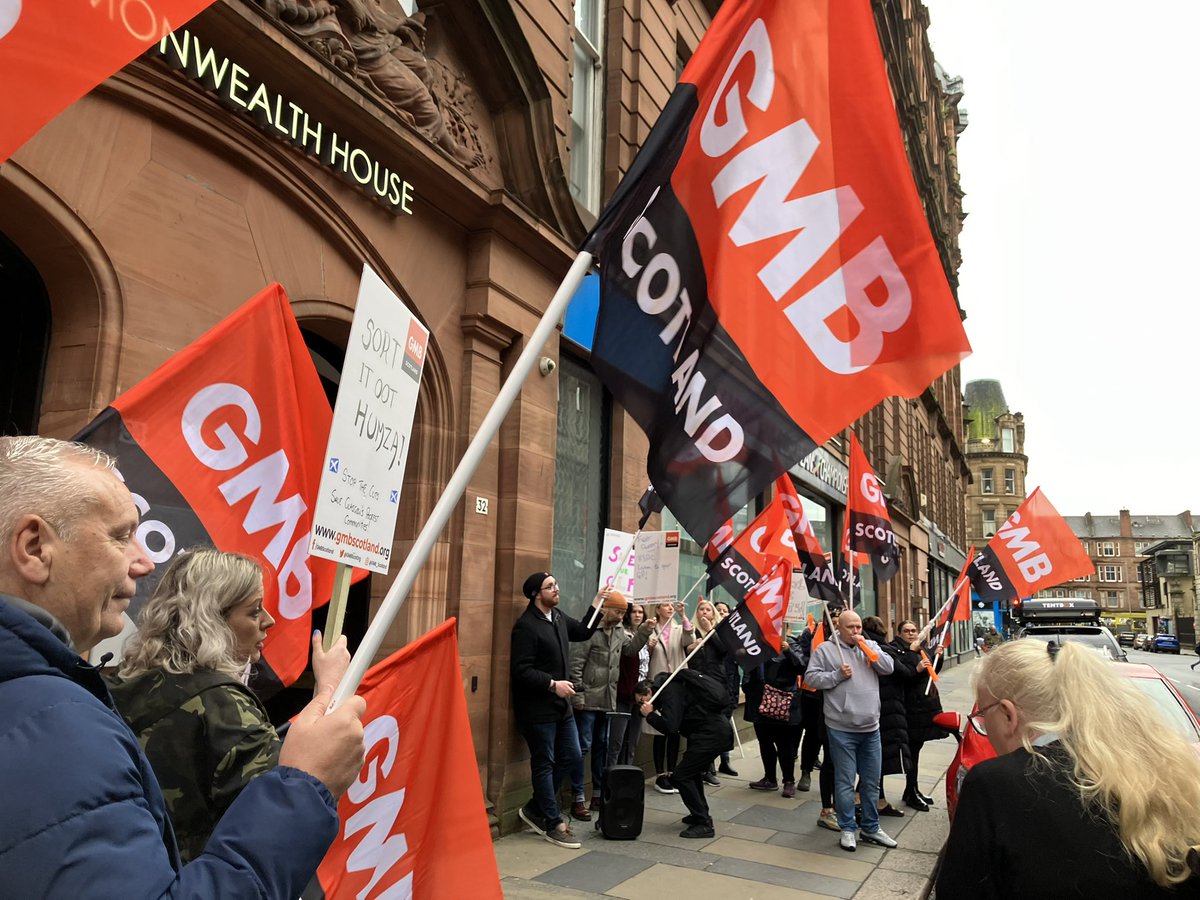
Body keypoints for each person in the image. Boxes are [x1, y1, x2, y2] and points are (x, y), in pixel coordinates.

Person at [0, 436, 366, 897]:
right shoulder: (59, 721)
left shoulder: (102, 684)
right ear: (34, 548)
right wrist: (307, 783)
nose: (144, 561)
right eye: (120, 535)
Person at [107, 548, 351, 861]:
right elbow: (289, 815)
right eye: (253, 612)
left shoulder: (115, 685)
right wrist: (330, 689)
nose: (269, 621)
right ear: (212, 621)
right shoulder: (220, 704)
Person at [937, 640, 1200, 898]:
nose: (983, 723)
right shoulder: (1171, 768)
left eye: (983, 715)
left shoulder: (994, 784)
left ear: (1008, 715)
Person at [511, 571, 611, 849]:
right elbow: (520, 671)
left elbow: (583, 631)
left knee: (573, 755)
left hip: (560, 707)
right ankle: (553, 822)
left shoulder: (556, 617)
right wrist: (552, 684)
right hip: (538, 709)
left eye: (556, 584)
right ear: (536, 594)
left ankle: (535, 806)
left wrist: (597, 603)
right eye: (550, 586)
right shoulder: (526, 626)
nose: (557, 589)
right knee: (544, 762)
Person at [805, 609, 898, 852]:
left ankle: (871, 827)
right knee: (845, 781)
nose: (857, 631)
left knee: (870, 782)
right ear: (840, 628)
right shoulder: (826, 649)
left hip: (871, 726)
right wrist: (836, 676)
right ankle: (847, 828)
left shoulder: (869, 645)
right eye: (851, 627)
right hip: (841, 727)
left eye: (859, 627)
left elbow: (888, 668)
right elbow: (811, 679)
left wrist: (869, 650)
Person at [568, 593, 648, 818]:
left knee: (602, 747)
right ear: (606, 609)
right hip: (588, 699)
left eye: (624, 612)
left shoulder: (619, 630)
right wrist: (579, 697)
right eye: (618, 611)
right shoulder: (590, 630)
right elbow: (576, 664)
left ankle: (598, 794)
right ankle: (577, 798)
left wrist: (645, 630)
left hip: (607, 700)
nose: (622, 616)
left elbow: (630, 650)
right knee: (583, 747)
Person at [636, 670, 734, 838]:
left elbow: (670, 727)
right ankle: (699, 814)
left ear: (649, 692)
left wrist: (650, 715)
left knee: (681, 776)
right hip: (709, 733)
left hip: (711, 735)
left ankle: (704, 823)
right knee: (691, 772)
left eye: (641, 701)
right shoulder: (672, 687)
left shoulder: (669, 691)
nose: (641, 706)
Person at [742, 630, 805, 797]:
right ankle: (769, 778)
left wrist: (787, 651)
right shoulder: (755, 645)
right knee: (765, 743)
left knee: (785, 745)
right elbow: (748, 669)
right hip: (760, 703)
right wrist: (748, 688)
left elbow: (801, 667)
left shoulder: (790, 643)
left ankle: (789, 781)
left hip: (782, 703)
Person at [892, 619, 946, 811]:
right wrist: (913, 656)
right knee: (911, 752)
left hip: (923, 707)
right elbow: (903, 674)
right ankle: (911, 791)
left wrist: (939, 656)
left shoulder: (919, 649)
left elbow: (931, 672)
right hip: (910, 708)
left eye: (914, 630)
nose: (911, 633)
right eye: (906, 631)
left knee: (917, 750)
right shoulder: (898, 649)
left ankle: (912, 789)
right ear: (899, 633)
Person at [640, 600, 693, 793]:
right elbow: (643, 655)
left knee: (675, 729)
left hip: (677, 685)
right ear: (657, 609)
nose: (670, 607)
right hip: (658, 684)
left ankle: (672, 772)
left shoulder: (679, 629)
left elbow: (689, 640)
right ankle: (660, 774)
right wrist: (650, 647)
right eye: (666, 605)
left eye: (672, 605)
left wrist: (683, 616)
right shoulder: (652, 629)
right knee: (660, 729)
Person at [862, 616, 912, 819]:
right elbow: (906, 673)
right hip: (886, 710)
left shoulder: (879, 649)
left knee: (877, 758)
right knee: (877, 759)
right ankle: (865, 800)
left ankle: (877, 800)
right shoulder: (884, 649)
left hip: (881, 709)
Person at [686, 598, 731, 786]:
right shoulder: (692, 631)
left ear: (713, 614)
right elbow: (685, 652)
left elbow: (723, 650)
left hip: (715, 683)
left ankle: (709, 767)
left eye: (708, 610)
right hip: (696, 683)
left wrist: (710, 631)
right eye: (701, 609)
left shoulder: (720, 631)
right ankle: (695, 767)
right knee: (696, 726)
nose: (704, 612)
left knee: (713, 726)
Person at [607, 603, 651, 768]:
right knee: (616, 743)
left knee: (632, 743)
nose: (638, 615)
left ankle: (627, 780)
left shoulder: (645, 638)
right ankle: (611, 779)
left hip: (640, 697)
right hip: (623, 694)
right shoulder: (621, 634)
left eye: (641, 612)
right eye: (634, 612)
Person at [713, 599, 740, 776]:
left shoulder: (734, 635)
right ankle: (710, 763)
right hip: (715, 685)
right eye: (719, 610)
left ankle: (725, 760)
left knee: (726, 725)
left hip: (730, 684)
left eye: (725, 611)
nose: (723, 613)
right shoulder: (711, 633)